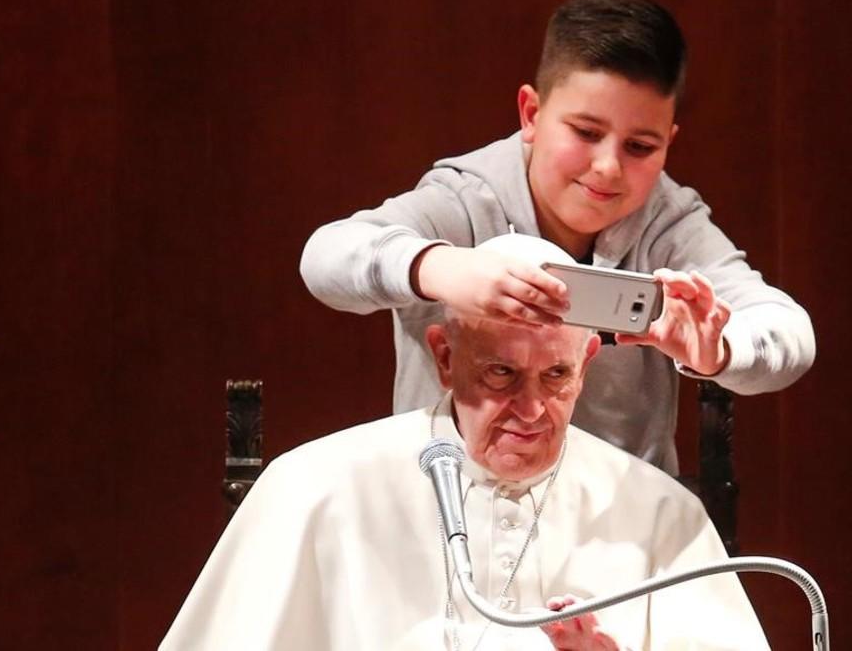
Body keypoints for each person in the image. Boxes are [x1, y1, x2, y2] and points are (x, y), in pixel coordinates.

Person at [164, 235, 771, 650]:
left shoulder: (661, 518)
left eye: (556, 376)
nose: (531, 410)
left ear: (587, 362)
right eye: (501, 374)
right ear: (445, 357)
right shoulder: (313, 487)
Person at [299, 0, 815, 475]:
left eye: (640, 147)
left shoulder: (667, 222)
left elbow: (791, 334)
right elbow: (324, 257)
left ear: (669, 141)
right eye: (586, 133)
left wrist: (718, 347)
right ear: (532, 113)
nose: (609, 167)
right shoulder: (464, 200)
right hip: (450, 513)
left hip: (614, 534)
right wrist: (441, 267)